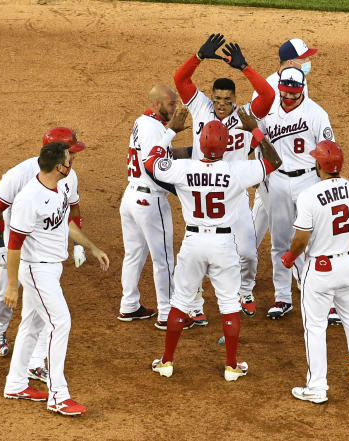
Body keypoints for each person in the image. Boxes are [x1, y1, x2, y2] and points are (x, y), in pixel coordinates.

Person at [147, 110, 282, 381]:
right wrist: (255, 130)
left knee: (181, 301)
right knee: (230, 303)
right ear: (225, 145)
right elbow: (273, 161)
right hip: (223, 242)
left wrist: (171, 130)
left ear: (200, 142)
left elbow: (151, 161)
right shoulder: (237, 171)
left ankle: (166, 362)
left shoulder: (185, 169)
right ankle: (231, 366)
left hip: (193, 241)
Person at [173, 33, 274, 321]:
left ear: (234, 100)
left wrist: (245, 68)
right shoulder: (200, 106)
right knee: (194, 251)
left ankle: (245, 290)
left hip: (235, 194)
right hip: (200, 190)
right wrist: (198, 57)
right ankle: (193, 303)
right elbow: (181, 80)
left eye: (226, 100)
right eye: (217, 98)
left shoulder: (244, 116)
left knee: (248, 253)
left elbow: (268, 96)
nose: (220, 104)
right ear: (211, 96)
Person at [2, 142, 109, 416]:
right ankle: (58, 395)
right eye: (68, 158)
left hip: (51, 269)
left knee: (32, 325)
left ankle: (15, 383)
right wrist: (12, 284)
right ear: (58, 166)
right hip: (37, 271)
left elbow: (67, 224)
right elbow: (14, 244)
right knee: (61, 322)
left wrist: (92, 247)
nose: (72, 161)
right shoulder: (29, 198)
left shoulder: (59, 187)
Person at [0, 127, 86, 384]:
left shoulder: (67, 176)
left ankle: (33, 365)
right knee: (7, 293)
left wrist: (80, 245)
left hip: (46, 249)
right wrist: (0, 245)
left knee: (38, 314)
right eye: (70, 152)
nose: (74, 157)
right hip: (15, 245)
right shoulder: (18, 176)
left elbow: (72, 211)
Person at [282, 141, 349, 403]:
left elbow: (301, 240)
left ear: (318, 165)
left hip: (321, 269)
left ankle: (317, 387)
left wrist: (290, 258)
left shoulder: (309, 196)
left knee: (315, 327)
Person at [256, 67, 335, 319]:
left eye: (293, 93)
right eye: (284, 92)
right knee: (279, 242)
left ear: (302, 90)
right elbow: (257, 142)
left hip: (308, 181)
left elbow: (329, 149)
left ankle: (326, 300)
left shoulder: (316, 114)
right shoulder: (268, 110)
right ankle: (282, 298)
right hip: (277, 180)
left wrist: (326, 184)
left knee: (317, 241)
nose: (288, 97)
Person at [118, 84, 194, 330]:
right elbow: (155, 167)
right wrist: (183, 193)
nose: (176, 108)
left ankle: (129, 305)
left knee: (134, 255)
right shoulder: (153, 128)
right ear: (156, 104)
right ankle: (167, 313)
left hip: (131, 197)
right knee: (163, 260)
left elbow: (166, 155)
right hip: (149, 201)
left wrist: (197, 152)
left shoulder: (144, 122)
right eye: (171, 104)